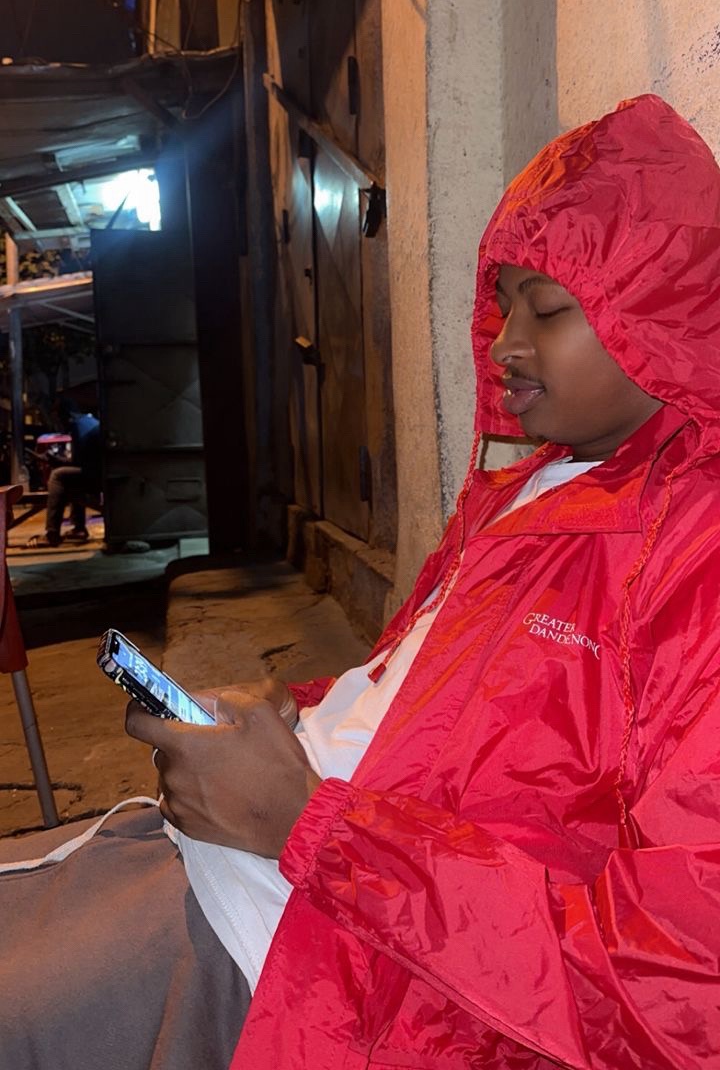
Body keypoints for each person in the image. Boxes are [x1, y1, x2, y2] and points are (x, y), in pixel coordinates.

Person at [2, 92, 720, 1069]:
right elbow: (436, 711)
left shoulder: (691, 552)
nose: (505, 343)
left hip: (312, 958)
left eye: (548, 308)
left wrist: (307, 823)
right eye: (505, 301)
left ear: (660, 314)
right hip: (253, 856)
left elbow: (677, 987)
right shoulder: (528, 489)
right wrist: (289, 714)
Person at [29, 401, 101, 547]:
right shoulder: (87, 421)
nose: (58, 424)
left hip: (97, 476)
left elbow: (78, 463)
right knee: (70, 478)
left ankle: (52, 534)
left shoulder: (78, 426)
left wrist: (55, 461)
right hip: (100, 471)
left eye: (58, 419)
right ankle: (79, 528)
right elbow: (80, 461)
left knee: (58, 476)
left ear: (66, 416)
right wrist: (58, 460)